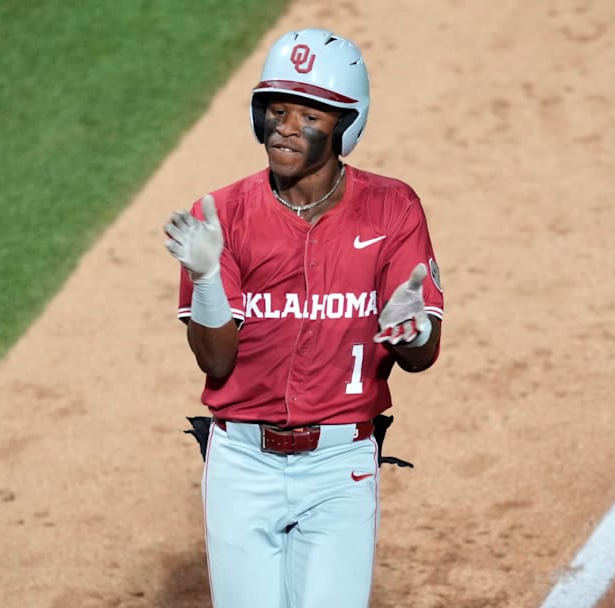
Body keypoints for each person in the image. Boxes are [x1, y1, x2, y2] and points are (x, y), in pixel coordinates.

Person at [162, 28, 444, 608]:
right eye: (276, 108)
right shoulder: (223, 215)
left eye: (308, 113)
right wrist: (209, 277)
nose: (285, 125)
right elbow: (216, 362)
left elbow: (422, 357)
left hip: (340, 464)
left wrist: (412, 328)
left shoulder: (393, 208)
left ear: (345, 125)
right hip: (241, 464)